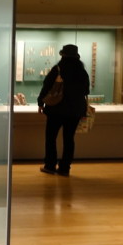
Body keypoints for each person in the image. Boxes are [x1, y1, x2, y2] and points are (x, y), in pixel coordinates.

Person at [37, 44, 90, 176]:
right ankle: (65, 168)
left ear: (63, 55)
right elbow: (86, 91)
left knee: (51, 138)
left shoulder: (58, 69)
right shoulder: (82, 72)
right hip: (75, 110)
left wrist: (40, 102)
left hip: (56, 109)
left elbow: (46, 86)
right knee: (69, 139)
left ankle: (50, 165)